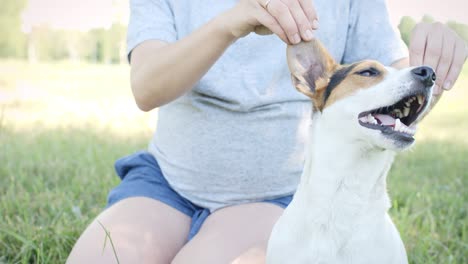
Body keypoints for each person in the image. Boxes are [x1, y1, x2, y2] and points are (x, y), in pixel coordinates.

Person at [67, 0, 467, 263]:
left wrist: (434, 67)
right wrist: (231, 21)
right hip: (167, 185)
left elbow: (394, 94)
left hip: (277, 199)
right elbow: (147, 87)